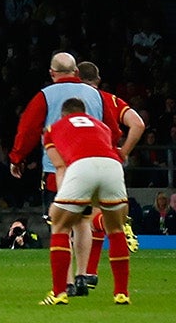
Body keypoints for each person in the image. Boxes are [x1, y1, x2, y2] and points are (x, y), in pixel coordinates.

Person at [10, 51, 101, 295]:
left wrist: (17, 157)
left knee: (60, 225)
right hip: (91, 168)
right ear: (77, 72)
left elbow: (28, 128)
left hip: (56, 170)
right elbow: (111, 129)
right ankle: (83, 276)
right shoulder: (95, 95)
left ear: (52, 73)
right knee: (83, 222)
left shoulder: (45, 96)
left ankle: (67, 282)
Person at [42, 98, 132, 306]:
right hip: (112, 166)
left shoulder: (52, 128)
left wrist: (62, 200)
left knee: (60, 224)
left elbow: (60, 166)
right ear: (84, 113)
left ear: (64, 115)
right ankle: (121, 293)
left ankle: (59, 293)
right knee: (116, 229)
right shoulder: (101, 126)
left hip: (81, 166)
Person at [75, 60, 147, 296]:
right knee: (101, 219)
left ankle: (78, 276)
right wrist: (123, 152)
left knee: (80, 220)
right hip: (111, 164)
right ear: (97, 79)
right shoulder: (111, 99)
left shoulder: (74, 101)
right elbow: (137, 124)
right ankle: (91, 274)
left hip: (81, 162)